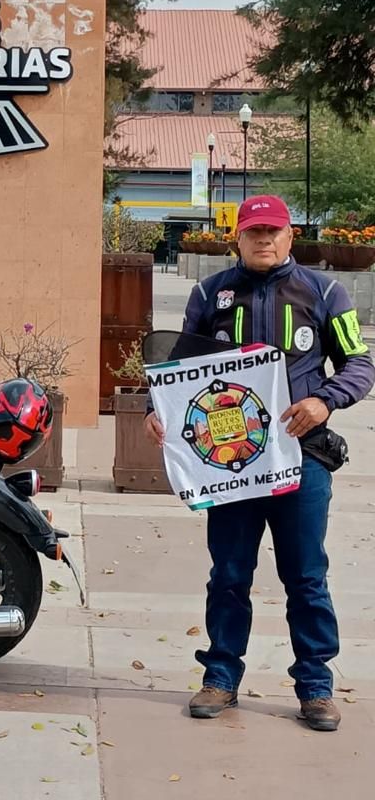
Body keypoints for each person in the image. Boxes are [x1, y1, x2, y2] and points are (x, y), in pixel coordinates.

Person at [145, 195, 374, 731]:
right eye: (254, 232)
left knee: (306, 576)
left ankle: (316, 686)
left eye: (274, 231)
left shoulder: (325, 292)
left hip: (302, 459)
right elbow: (180, 366)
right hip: (229, 466)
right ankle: (220, 678)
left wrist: (326, 399)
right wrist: (158, 412)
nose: (264, 239)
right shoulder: (211, 292)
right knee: (228, 574)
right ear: (238, 238)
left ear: (290, 235)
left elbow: (360, 364)